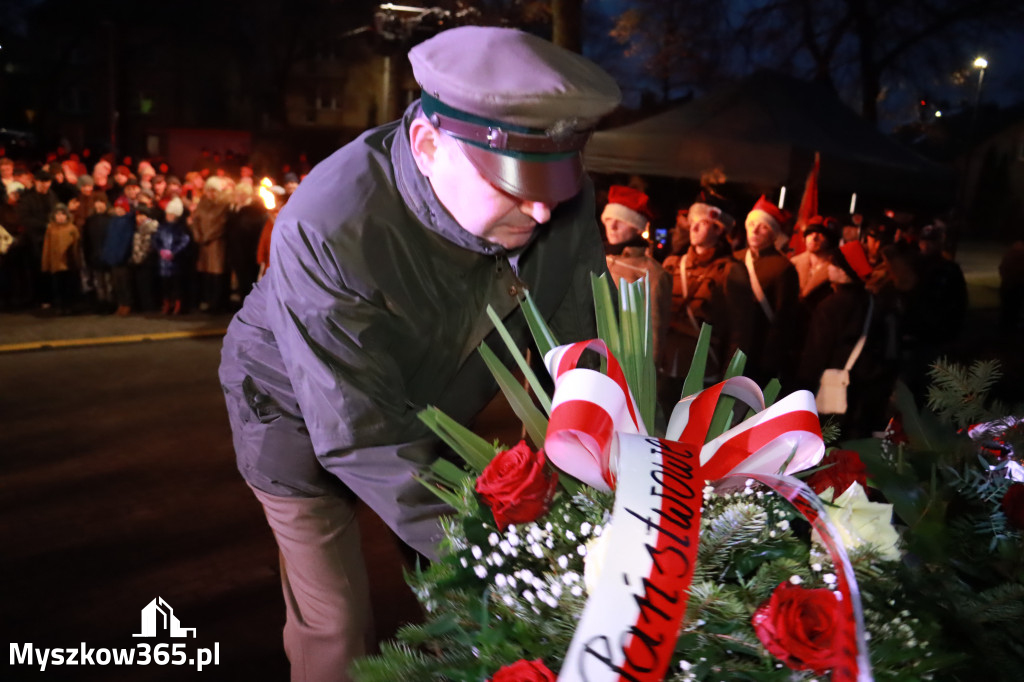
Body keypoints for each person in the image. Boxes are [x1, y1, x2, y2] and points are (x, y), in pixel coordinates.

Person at [218, 26, 620, 682]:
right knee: (337, 623)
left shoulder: (557, 200)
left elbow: (575, 348)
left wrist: (584, 496)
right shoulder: (328, 225)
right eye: (515, 182)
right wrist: (498, 552)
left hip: (437, 403)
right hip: (295, 408)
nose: (545, 210)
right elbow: (360, 434)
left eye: (556, 179)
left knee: (470, 600)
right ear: (429, 145)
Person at [661, 199, 752, 405]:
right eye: (693, 221)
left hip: (703, 367)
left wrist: (730, 378)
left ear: (718, 230)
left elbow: (739, 330)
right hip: (665, 364)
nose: (694, 227)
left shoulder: (730, 271)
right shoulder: (672, 264)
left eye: (702, 223)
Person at [735, 195, 800, 387]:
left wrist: (770, 359)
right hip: (735, 348)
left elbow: (784, 317)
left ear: (773, 234)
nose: (755, 230)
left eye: (763, 226)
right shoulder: (735, 259)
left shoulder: (783, 268)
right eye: (752, 224)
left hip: (760, 352)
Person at [600, 185, 672, 359]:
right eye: (608, 219)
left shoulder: (653, 274)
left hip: (622, 366)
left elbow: (652, 336)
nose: (612, 226)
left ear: (638, 227)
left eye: (621, 221)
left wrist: (640, 383)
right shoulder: (594, 260)